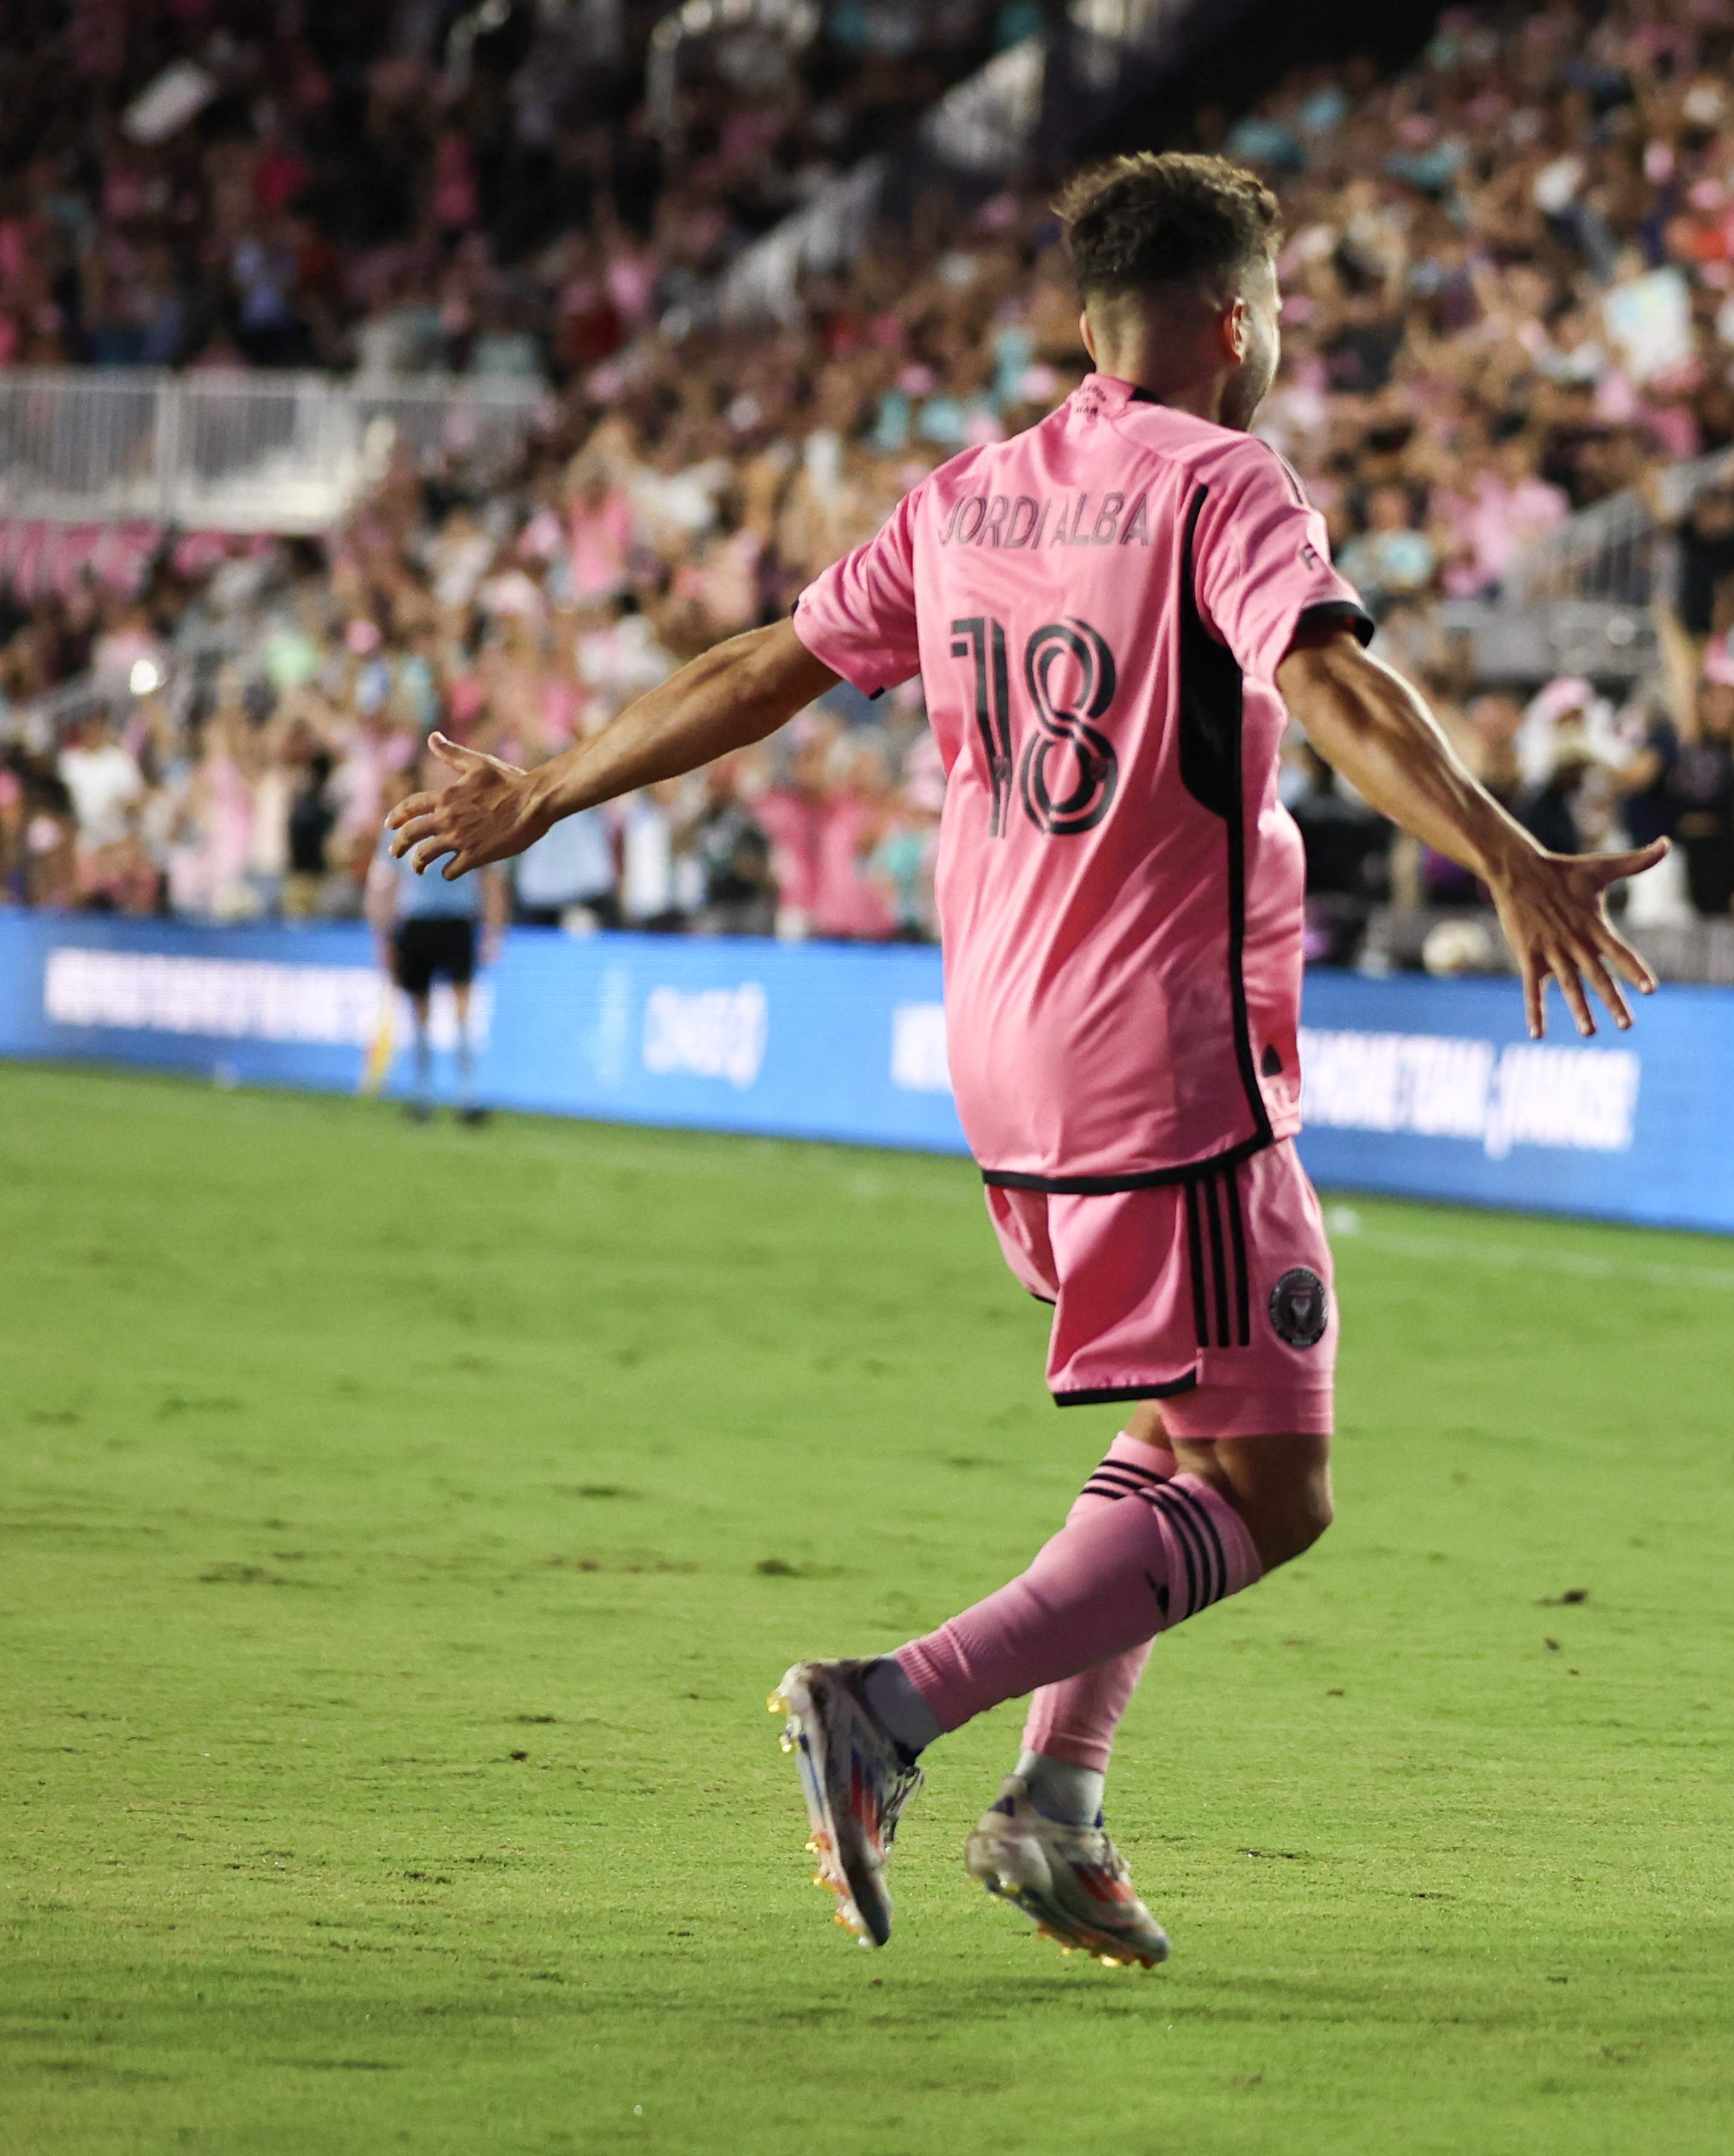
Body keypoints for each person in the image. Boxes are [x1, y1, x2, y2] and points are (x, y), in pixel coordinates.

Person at [381, 153, 1661, 1969]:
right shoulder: (1225, 476)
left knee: (1175, 1424)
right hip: (1162, 1061)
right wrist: (1510, 855)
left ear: (1086, 321)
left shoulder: (974, 490)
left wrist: (544, 787)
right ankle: (891, 1704)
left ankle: (1057, 1805)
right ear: (1237, 322)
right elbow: (1341, 686)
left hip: (1002, 1051)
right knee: (1274, 1485)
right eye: (1275, 315)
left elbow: (764, 665)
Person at [366, 771, 508, 1123]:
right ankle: (425, 1095)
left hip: (457, 922)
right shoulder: (402, 826)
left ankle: (466, 1096)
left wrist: (493, 931)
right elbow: (385, 886)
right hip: (416, 924)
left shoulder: (470, 821)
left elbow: (490, 880)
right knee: (421, 1014)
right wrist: (384, 936)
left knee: (460, 1010)